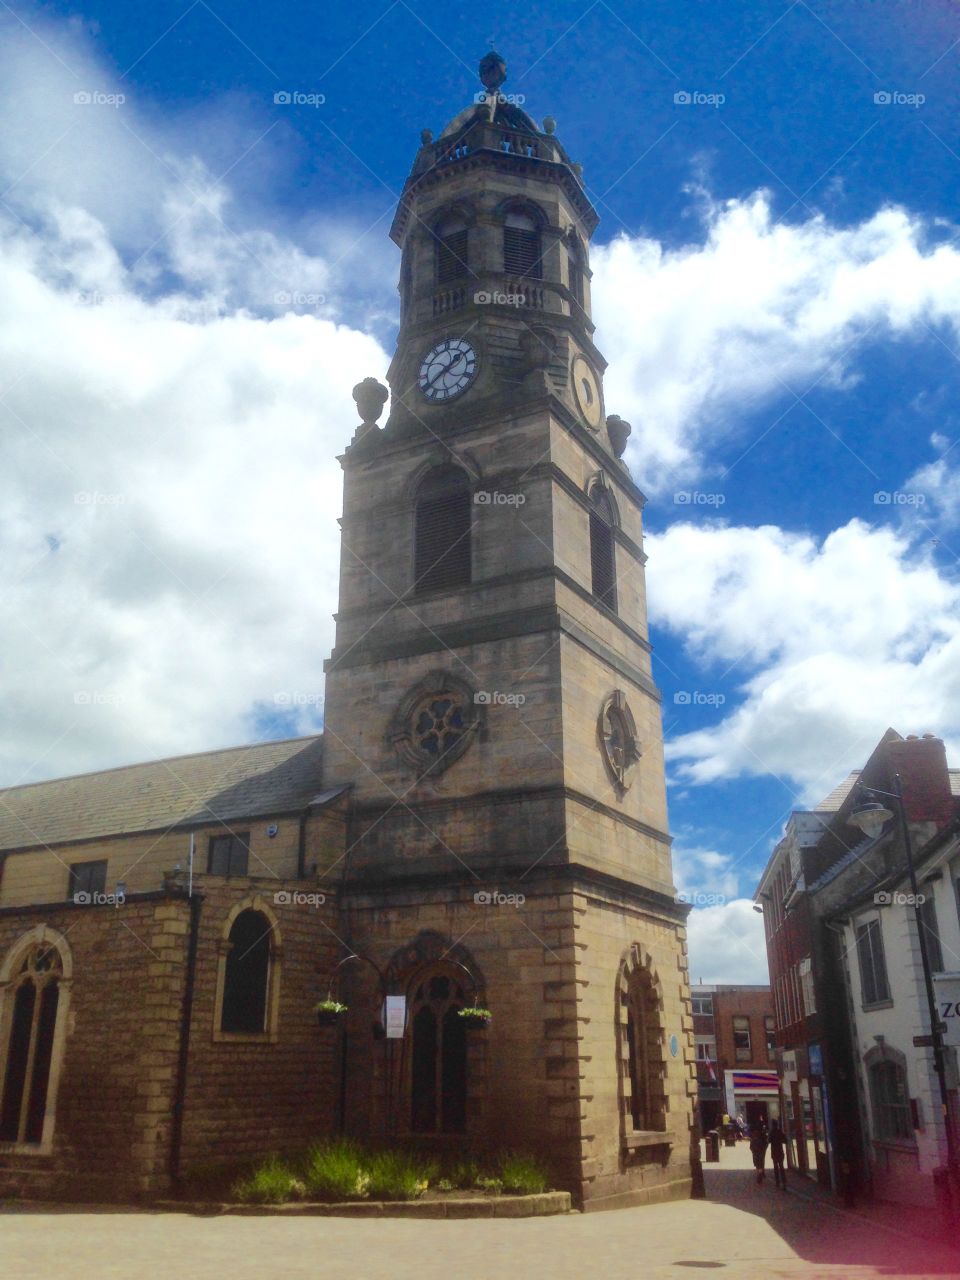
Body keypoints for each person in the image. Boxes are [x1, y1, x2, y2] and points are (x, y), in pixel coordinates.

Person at [749, 1119, 769, 1184]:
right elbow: (766, 1142)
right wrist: (765, 1148)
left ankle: (759, 1172)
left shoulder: (754, 1133)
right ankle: (761, 1172)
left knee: (757, 1162)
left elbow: (751, 1144)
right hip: (762, 1149)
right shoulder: (764, 1133)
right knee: (762, 1160)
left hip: (755, 1150)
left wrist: (752, 1149)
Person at [769, 1119, 787, 1189]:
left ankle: (777, 1182)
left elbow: (769, 1140)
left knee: (776, 1167)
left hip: (774, 1152)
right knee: (781, 1167)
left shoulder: (771, 1133)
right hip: (780, 1151)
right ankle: (784, 1183)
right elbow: (785, 1141)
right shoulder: (780, 1132)